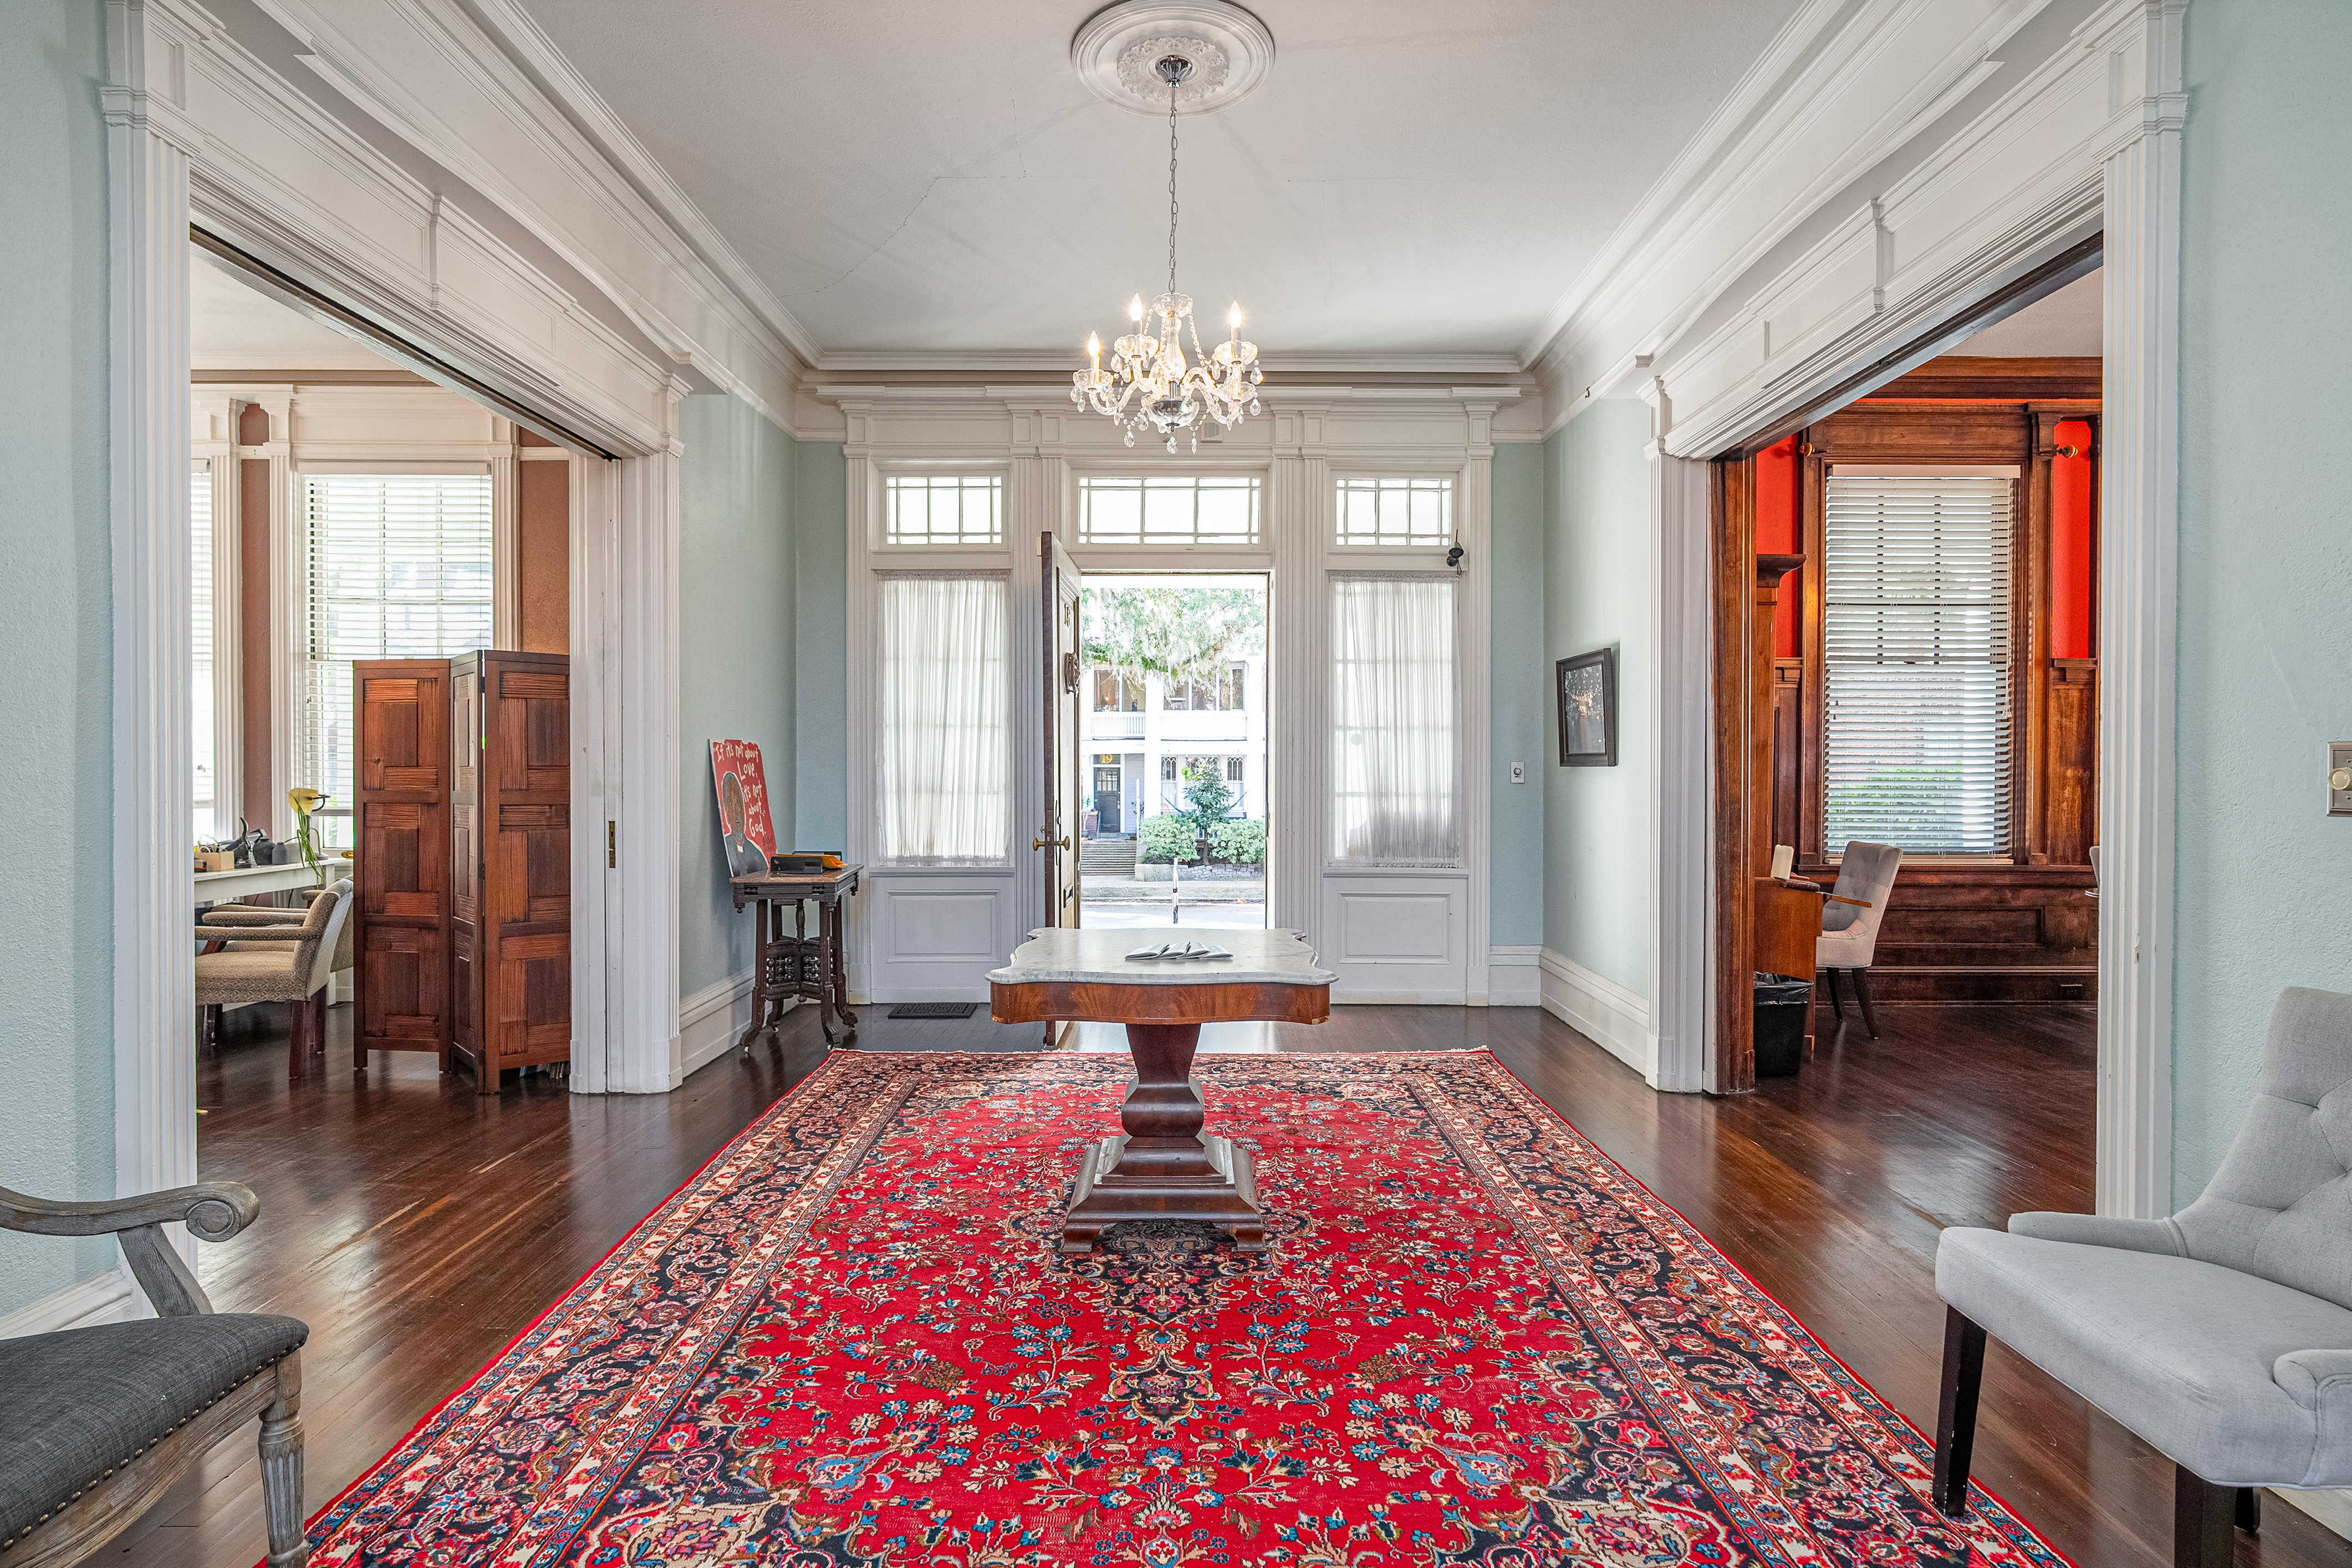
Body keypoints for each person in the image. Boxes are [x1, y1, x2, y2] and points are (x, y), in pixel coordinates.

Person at [718, 771, 767, 877]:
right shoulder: (724, 849)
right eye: (731, 804)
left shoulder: (757, 855)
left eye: (739, 804)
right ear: (726, 810)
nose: (737, 811)